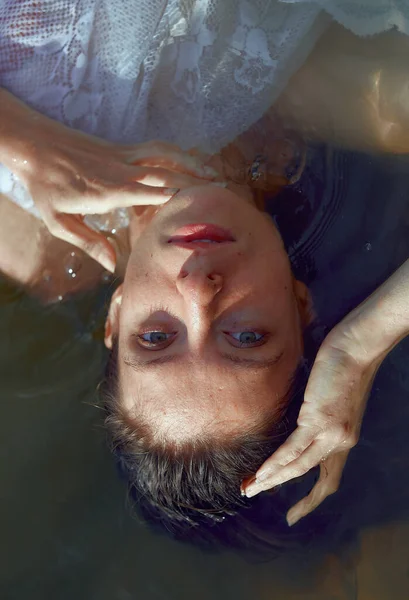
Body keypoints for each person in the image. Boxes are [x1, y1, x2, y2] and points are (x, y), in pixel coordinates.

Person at [2, 0, 409, 544]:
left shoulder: (31, 244)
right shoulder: (311, 101)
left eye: (155, 337)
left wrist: (24, 144)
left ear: (115, 315)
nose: (199, 291)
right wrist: (361, 343)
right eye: (245, 336)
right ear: (299, 303)